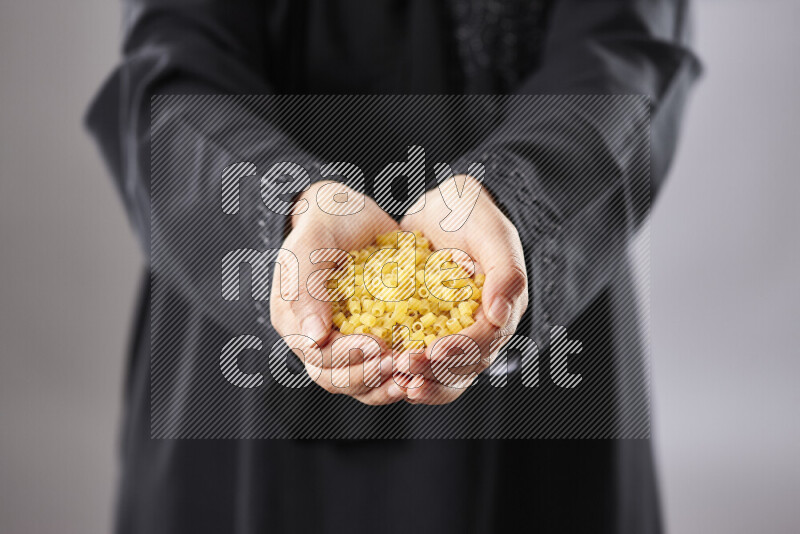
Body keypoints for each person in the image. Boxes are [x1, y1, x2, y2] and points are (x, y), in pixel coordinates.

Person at [86, 0, 699, 532]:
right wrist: (281, 209)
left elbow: (623, 50)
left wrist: (520, 200)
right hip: (244, 304)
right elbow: (172, 67)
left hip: (519, 294)